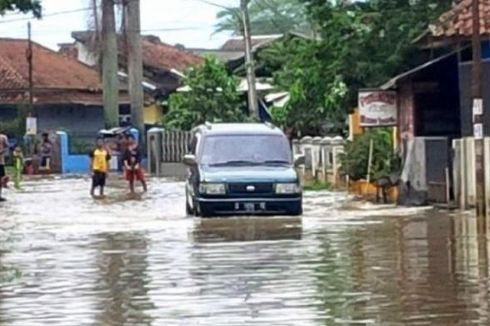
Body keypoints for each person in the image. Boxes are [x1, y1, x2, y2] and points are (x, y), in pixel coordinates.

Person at [0, 132, 10, 201]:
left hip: (0, 162)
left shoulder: (3, 137)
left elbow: (7, 147)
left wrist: (2, 151)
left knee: (1, 178)